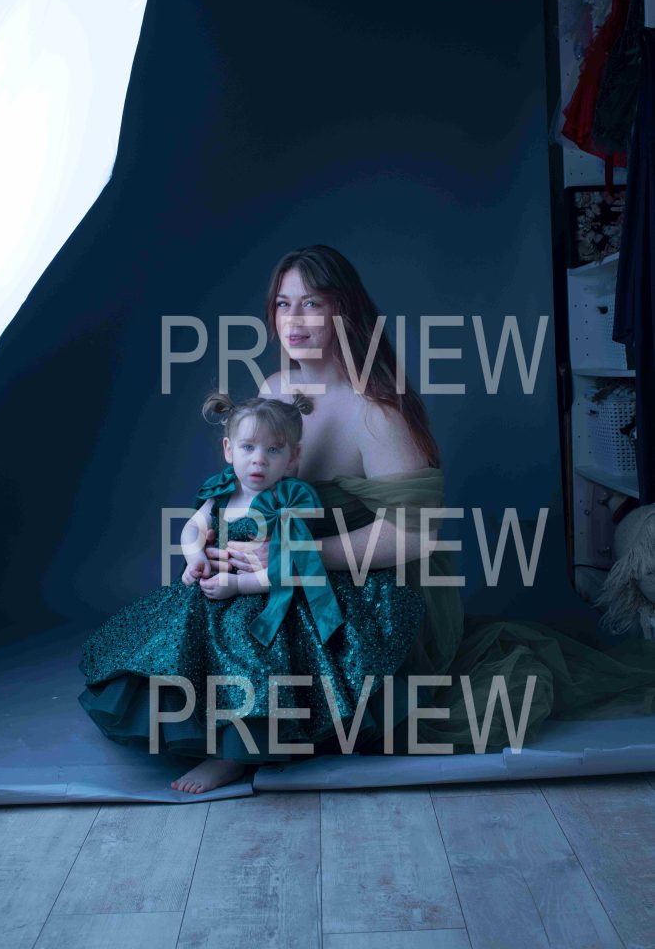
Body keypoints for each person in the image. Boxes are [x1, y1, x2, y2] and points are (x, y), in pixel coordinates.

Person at [202, 244, 655, 759]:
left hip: (373, 579)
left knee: (273, 637)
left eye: (312, 303)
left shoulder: (376, 412)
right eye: (284, 304)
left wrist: (296, 556)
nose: (294, 319)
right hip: (293, 562)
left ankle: (238, 750)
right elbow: (257, 491)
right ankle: (224, 737)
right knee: (204, 606)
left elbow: (415, 535)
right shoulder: (274, 388)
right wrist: (223, 540)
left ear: (343, 311)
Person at [77, 387, 428, 794]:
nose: (259, 459)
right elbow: (193, 528)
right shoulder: (221, 493)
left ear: (293, 458)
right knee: (178, 649)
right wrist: (194, 556)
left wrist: (238, 584)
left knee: (249, 662)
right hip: (215, 592)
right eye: (248, 447)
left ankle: (231, 757)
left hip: (268, 601)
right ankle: (199, 729)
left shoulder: (289, 502)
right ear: (229, 450)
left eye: (273, 450)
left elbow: (290, 567)